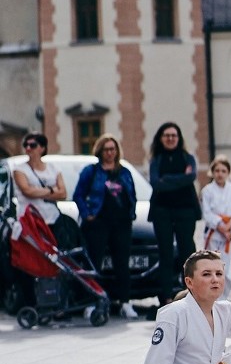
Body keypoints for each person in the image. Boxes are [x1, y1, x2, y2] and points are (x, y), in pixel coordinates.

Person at [73, 133, 137, 319]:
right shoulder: (91, 171)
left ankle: (125, 302)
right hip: (98, 223)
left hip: (121, 223)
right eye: (106, 149)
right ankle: (92, 302)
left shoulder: (124, 172)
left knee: (122, 264)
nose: (110, 153)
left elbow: (131, 194)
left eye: (113, 149)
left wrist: (131, 214)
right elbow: (78, 195)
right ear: (100, 151)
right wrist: (87, 215)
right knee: (94, 263)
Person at [148, 122, 202, 306]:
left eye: (174, 135)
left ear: (179, 138)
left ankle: (191, 294)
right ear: (161, 139)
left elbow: (191, 177)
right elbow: (156, 183)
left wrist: (168, 179)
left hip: (185, 210)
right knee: (165, 253)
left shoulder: (188, 158)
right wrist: (180, 179)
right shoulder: (156, 160)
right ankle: (167, 297)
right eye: (167, 135)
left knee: (188, 252)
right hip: (161, 210)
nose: (170, 139)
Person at [13, 132, 78, 250]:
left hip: (52, 219)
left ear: (42, 148)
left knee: (57, 255)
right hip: (30, 221)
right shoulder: (19, 169)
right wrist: (51, 190)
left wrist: (38, 191)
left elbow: (63, 193)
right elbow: (27, 191)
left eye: (32, 145)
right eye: (25, 145)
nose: (28, 148)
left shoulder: (53, 168)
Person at [201, 155, 231, 297]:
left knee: (226, 268)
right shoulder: (207, 191)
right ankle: (212, 296)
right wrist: (220, 226)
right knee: (213, 266)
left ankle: (223, 297)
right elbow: (207, 213)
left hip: (229, 233)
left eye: (223, 171)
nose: (220, 174)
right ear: (212, 172)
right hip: (214, 234)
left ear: (228, 172)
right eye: (217, 170)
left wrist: (230, 226)